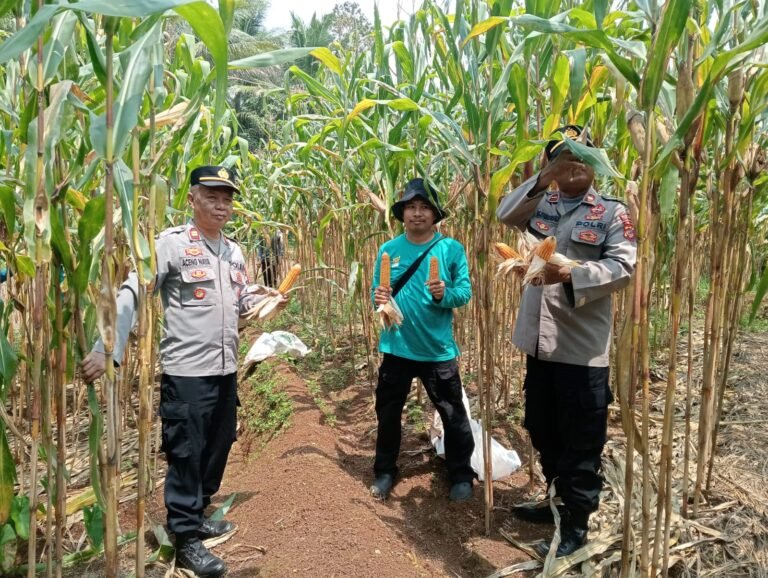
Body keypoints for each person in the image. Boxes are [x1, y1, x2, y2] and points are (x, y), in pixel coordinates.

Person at [81, 166, 286, 578]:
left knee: (220, 442)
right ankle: (186, 536)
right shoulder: (171, 245)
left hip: (225, 368)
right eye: (212, 197)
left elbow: (240, 303)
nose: (221, 205)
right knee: (186, 452)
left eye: (227, 199)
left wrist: (265, 302)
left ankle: (199, 511)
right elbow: (133, 290)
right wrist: (108, 347)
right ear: (192, 199)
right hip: (187, 372)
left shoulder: (233, 252)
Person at [496, 126, 637, 557]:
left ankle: (575, 528)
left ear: (595, 163)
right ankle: (554, 500)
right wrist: (543, 177)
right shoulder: (543, 203)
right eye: (563, 157)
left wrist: (570, 274)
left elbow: (623, 267)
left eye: (581, 156)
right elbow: (505, 214)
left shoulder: (611, 212)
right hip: (539, 345)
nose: (574, 164)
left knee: (580, 442)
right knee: (541, 427)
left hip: (581, 349)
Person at [370, 178, 475, 502]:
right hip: (396, 348)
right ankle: (385, 471)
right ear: (403, 214)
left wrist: (444, 294)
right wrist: (380, 299)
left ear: (435, 214)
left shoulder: (451, 249)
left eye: (424, 207)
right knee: (388, 414)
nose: (417, 213)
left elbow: (464, 292)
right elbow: (377, 295)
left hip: (436, 350)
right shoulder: (388, 250)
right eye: (411, 207)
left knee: (453, 415)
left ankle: (461, 473)